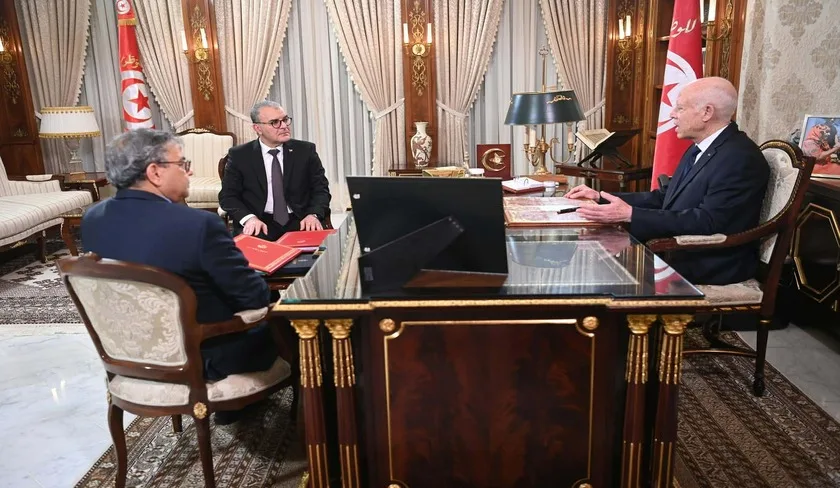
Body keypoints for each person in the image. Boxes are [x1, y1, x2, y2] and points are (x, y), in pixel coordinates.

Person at [81, 129, 278, 423]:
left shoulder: (92, 219)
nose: (191, 171)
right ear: (155, 172)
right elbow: (253, 296)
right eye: (183, 164)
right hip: (205, 356)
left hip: (130, 354)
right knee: (302, 328)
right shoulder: (199, 225)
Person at [566, 77, 770, 285]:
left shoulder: (739, 157)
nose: (672, 114)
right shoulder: (700, 147)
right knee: (590, 258)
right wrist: (601, 198)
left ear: (707, 112)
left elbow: (709, 221)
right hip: (678, 251)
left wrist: (631, 215)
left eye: (680, 108)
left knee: (596, 271)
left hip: (708, 264)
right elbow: (666, 197)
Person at [219, 101, 331, 241]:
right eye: (275, 122)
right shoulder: (240, 155)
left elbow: (321, 189)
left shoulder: (305, 151)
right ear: (257, 128)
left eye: (285, 119)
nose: (284, 126)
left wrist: (313, 215)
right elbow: (228, 196)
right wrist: (249, 219)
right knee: (253, 252)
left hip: (300, 219)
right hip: (259, 222)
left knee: (317, 251)